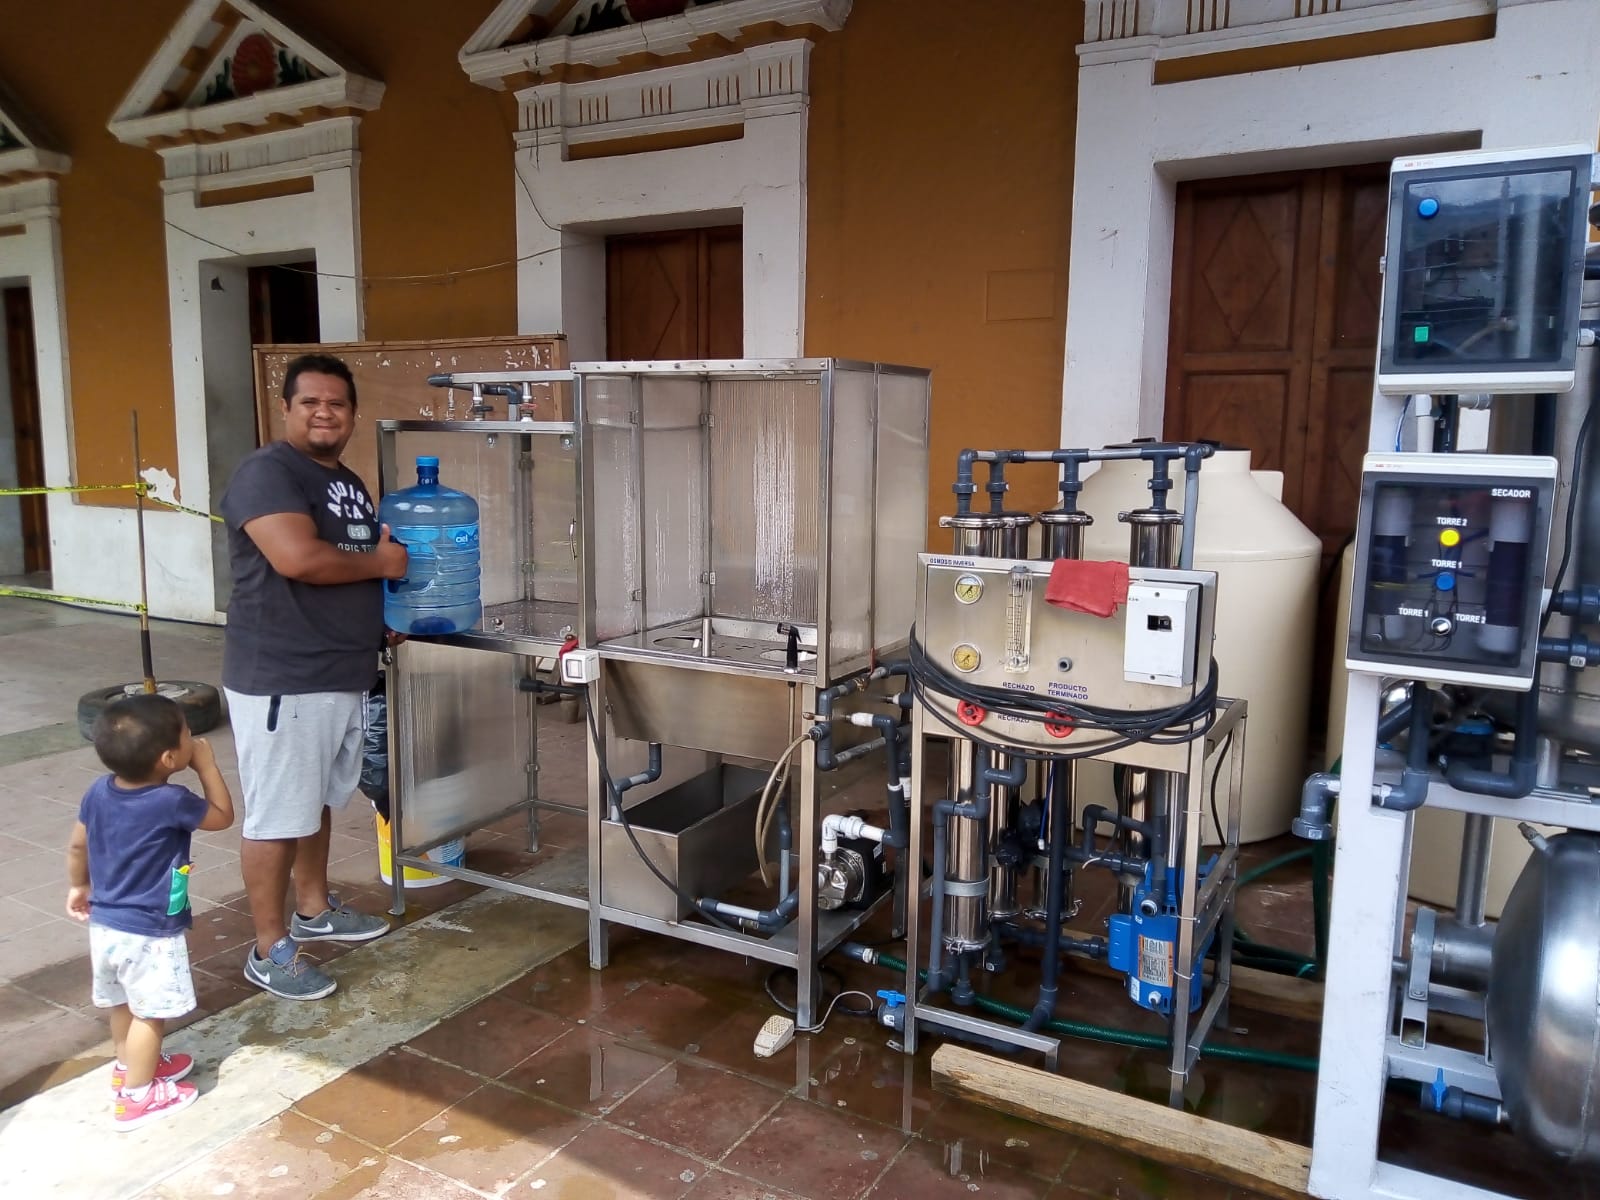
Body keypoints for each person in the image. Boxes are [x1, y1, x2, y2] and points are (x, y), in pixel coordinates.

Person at [220, 353, 407, 1001]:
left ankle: (314, 907)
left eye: (337, 403)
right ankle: (268, 948)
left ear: (352, 413)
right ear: (287, 408)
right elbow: (299, 559)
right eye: (311, 402)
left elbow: (349, 561)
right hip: (285, 674)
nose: (325, 413)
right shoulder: (267, 474)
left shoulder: (346, 481)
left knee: (315, 801)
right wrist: (384, 565)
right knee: (277, 815)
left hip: (338, 670)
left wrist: (380, 620)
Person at [67, 694, 235, 1130]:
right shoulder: (171, 800)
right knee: (150, 1013)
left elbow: (78, 844)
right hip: (149, 930)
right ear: (168, 759)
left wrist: (79, 885)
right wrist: (207, 767)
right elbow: (222, 817)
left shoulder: (98, 791)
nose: (194, 740)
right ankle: (138, 1098)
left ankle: (129, 1068)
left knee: (123, 1002)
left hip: (105, 924)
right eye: (187, 734)